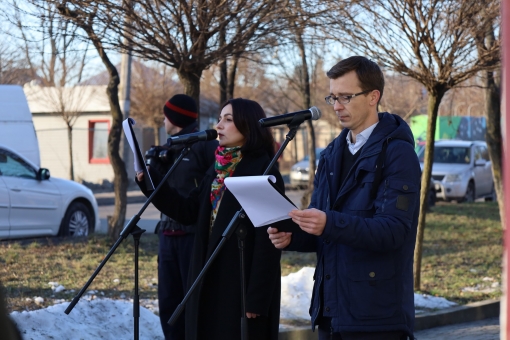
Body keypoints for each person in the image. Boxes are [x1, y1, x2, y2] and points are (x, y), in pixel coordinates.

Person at [268, 56, 421, 340]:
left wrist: (328, 223)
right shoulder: (331, 154)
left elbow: (393, 230)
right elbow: (324, 226)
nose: (337, 106)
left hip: (376, 317)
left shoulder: (398, 154)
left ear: (373, 96)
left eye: (346, 97)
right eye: (333, 97)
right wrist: (296, 237)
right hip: (331, 311)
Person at [138, 98, 283, 340]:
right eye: (219, 120)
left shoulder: (262, 170)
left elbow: (268, 244)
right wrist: (151, 183)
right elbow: (187, 211)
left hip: (239, 285)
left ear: (247, 126)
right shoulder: (217, 170)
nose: (219, 126)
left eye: (228, 120)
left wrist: (257, 299)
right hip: (208, 277)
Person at [142, 94, 218, 340]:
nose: (163, 121)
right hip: (167, 234)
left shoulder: (204, 146)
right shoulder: (167, 149)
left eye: (166, 116)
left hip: (192, 236)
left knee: (191, 300)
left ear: (174, 118)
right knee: (168, 300)